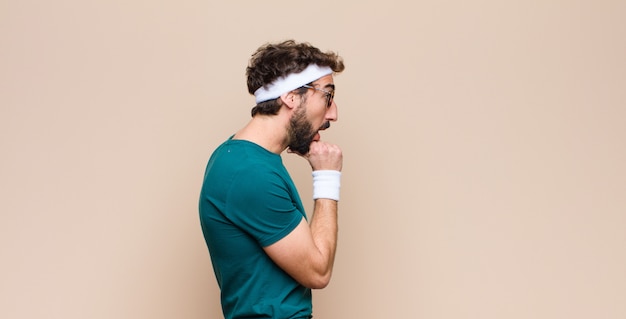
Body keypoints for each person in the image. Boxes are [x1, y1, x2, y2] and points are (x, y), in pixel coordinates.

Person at [198, 40, 345, 319]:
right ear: (291, 96)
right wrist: (327, 177)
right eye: (327, 96)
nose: (333, 113)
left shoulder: (241, 157)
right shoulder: (249, 173)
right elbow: (318, 271)